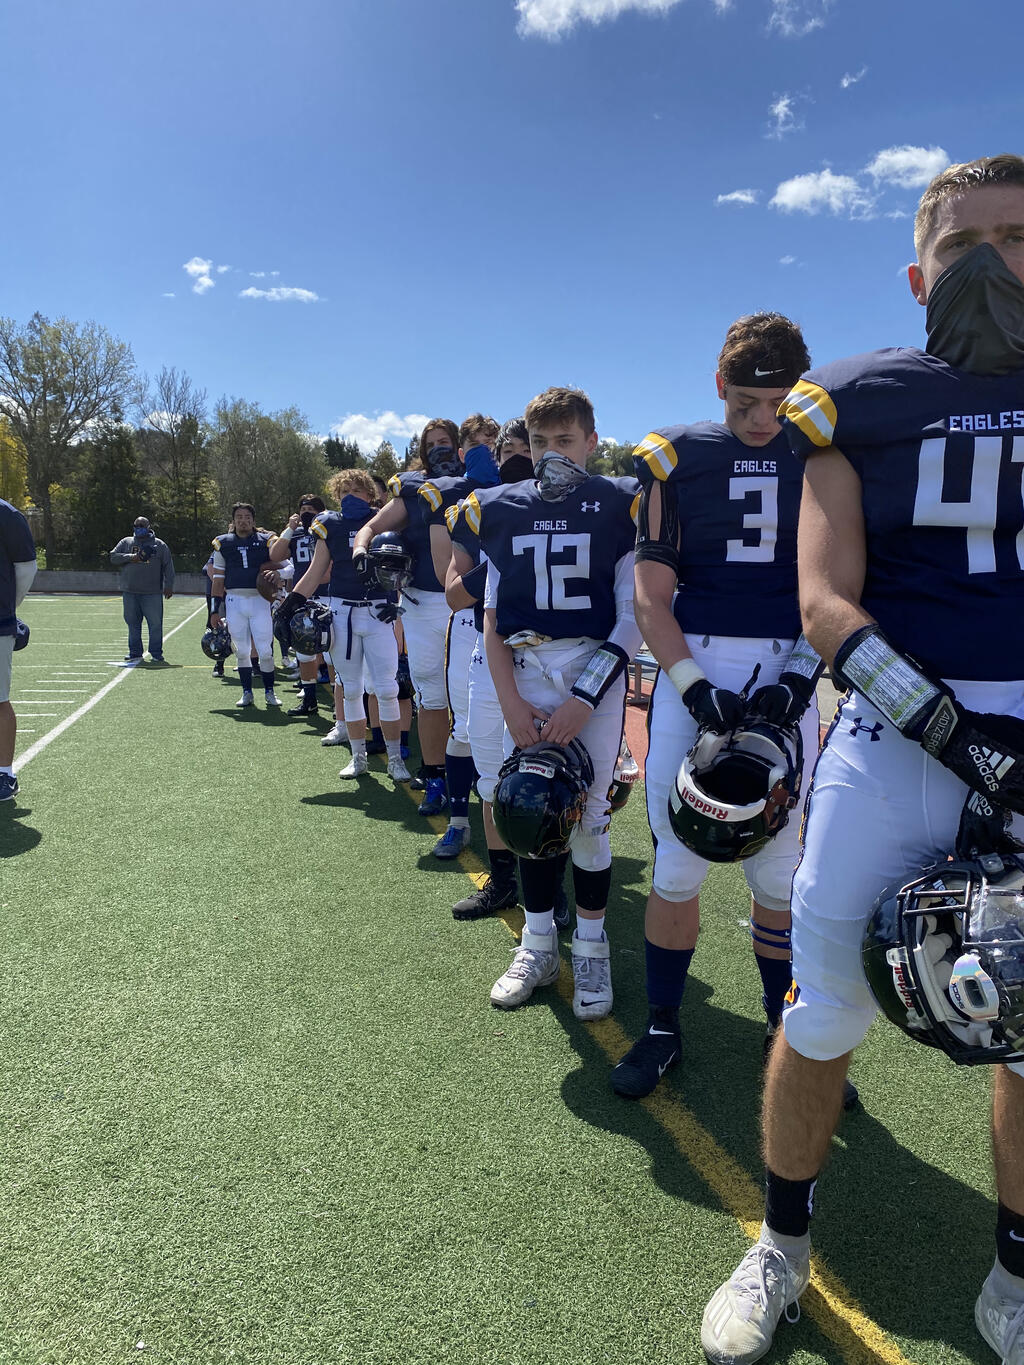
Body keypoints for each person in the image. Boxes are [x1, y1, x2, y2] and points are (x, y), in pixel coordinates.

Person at [701, 153, 1024, 1365]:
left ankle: (1015, 1271)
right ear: (917, 276)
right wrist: (960, 736)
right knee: (823, 1006)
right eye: (964, 245)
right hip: (902, 735)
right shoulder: (856, 399)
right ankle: (781, 1244)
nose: (994, 265)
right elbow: (824, 604)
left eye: (1018, 238)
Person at [611, 314, 830, 1102]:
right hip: (693, 665)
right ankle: (663, 1024)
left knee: (780, 869)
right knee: (678, 862)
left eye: (778, 403)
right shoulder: (676, 460)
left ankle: (783, 1026)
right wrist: (693, 686)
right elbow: (650, 596)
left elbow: (840, 581)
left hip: (790, 659)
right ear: (717, 386)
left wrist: (799, 677)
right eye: (745, 403)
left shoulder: (823, 451)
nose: (764, 420)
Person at [471, 386, 641, 1019]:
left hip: (592, 667)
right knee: (524, 809)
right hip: (524, 671)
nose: (551, 454)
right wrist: (512, 704)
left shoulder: (619, 506)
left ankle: (592, 947)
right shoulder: (505, 508)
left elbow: (632, 618)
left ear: (592, 442)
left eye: (565, 441)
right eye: (540, 441)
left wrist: (583, 700)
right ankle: (538, 944)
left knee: (590, 819)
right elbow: (492, 621)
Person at [446, 417, 541, 916]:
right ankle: (503, 880)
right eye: (509, 452)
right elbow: (454, 594)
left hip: (547, 655)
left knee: (544, 775)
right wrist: (507, 558)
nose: (518, 461)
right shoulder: (475, 512)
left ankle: (548, 888)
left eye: (528, 450)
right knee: (490, 778)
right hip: (487, 651)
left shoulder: (570, 508)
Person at [353, 419, 462, 816]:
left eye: (445, 441)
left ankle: (478, 775)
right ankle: (436, 777)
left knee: (474, 695)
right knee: (431, 694)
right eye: (431, 444)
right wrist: (361, 549)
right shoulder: (414, 489)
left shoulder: (478, 484)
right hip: (422, 602)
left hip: (470, 602)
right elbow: (370, 527)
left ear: (459, 445)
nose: (438, 449)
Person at [278, 469, 411, 783]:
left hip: (378, 612)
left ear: (369, 493)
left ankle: (395, 758)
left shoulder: (382, 521)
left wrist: (398, 601)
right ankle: (358, 757)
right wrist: (289, 605)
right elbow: (316, 571)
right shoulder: (331, 524)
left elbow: (404, 567)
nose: (350, 496)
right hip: (342, 613)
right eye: (344, 491)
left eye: (356, 490)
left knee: (387, 689)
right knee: (350, 689)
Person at [419, 412, 501, 858]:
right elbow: (444, 578)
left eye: (496, 443)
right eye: (480, 444)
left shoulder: (528, 490)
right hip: (471, 623)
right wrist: (506, 567)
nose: (491, 452)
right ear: (465, 450)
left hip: (520, 626)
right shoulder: (448, 494)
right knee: (466, 727)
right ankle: (458, 821)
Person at [209, 503, 281, 709]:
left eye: (247, 517)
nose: (243, 520)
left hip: (260, 600)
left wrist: (279, 574)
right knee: (241, 651)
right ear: (233, 521)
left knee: (265, 651)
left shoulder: (266, 541)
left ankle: (269, 691)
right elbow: (218, 580)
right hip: (235, 600)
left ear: (253, 520)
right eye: (239, 517)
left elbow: (285, 562)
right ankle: (247, 692)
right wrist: (214, 610)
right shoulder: (223, 543)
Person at [270, 494, 329, 717]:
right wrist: (289, 528)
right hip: (301, 598)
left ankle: (340, 704)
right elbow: (275, 554)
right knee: (304, 652)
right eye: (303, 509)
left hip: (326, 595)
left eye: (311, 509)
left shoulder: (330, 529)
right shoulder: (295, 534)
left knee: (332, 654)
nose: (306, 513)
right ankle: (309, 699)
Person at [0, 498, 37, 802]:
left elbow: (26, 567)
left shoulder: (6, 515)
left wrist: (8, 609)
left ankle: (5, 774)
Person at [109, 517, 175, 663]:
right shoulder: (126, 542)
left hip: (152, 593)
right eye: (136, 526)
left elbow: (168, 566)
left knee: (155, 624)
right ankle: (135, 652)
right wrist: (131, 557)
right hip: (130, 591)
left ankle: (156, 653)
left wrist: (169, 585)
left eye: (142, 525)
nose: (139, 528)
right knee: (133, 623)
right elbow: (113, 557)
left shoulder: (159, 545)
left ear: (148, 526)